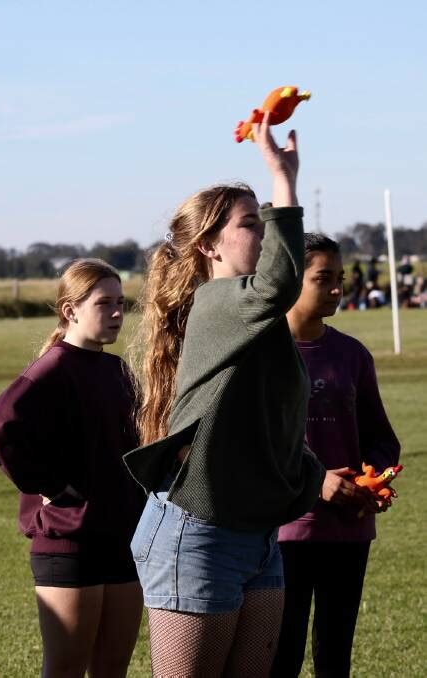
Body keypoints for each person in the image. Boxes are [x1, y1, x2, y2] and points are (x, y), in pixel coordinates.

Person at [124, 116, 326, 677]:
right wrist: (283, 178)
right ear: (211, 245)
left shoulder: (255, 322)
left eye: (264, 219)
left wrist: (306, 475)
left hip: (255, 534)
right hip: (197, 533)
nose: (262, 230)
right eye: (249, 222)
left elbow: (273, 418)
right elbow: (281, 281)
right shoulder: (217, 302)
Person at [0, 259, 144, 678]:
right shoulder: (51, 369)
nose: (117, 313)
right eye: (104, 303)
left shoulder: (116, 369)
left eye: (121, 303)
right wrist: (53, 486)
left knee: (112, 670)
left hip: (124, 540)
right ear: (70, 310)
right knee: (66, 670)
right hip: (70, 545)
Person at [270, 234, 401, 678]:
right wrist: (315, 480)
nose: (335, 288)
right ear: (290, 280)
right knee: (279, 656)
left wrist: (375, 478)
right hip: (283, 531)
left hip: (348, 528)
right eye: (322, 278)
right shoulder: (261, 355)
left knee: (335, 657)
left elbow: (381, 438)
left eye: (339, 278)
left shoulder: (352, 355)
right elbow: (252, 446)